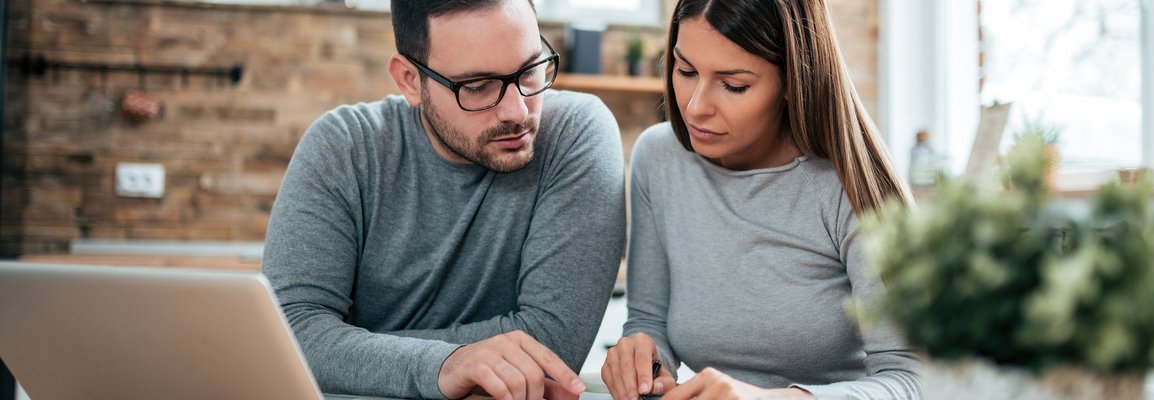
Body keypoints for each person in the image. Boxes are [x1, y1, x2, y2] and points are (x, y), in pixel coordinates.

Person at [261, 1, 627, 399]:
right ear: (409, 81)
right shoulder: (345, 148)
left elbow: (551, 345)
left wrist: (353, 351)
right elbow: (288, 334)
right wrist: (443, 364)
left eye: (530, 69)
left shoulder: (575, 135)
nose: (517, 110)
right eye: (476, 87)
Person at [601, 0, 921, 399]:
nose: (695, 107)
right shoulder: (659, 159)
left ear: (792, 82)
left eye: (734, 85)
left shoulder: (852, 186)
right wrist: (644, 364)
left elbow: (912, 380)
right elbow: (649, 323)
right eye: (685, 71)